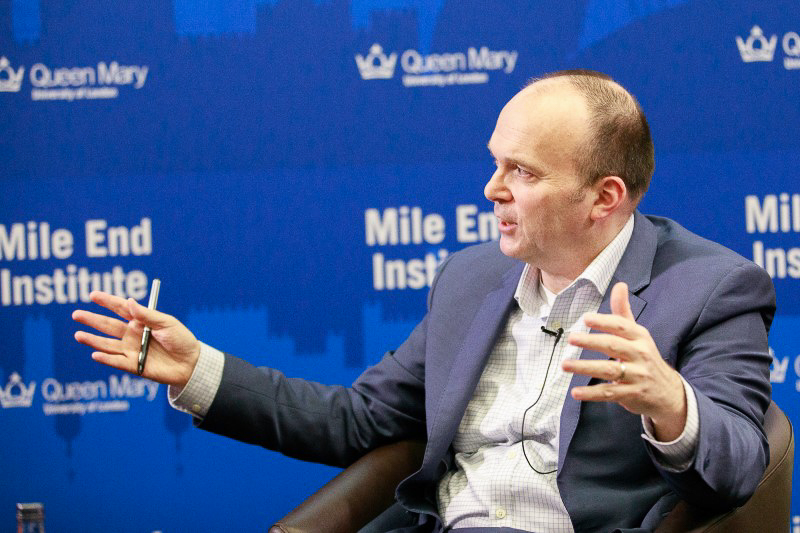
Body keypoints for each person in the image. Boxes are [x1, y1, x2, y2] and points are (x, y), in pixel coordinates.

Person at [72, 70, 775, 532]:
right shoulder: (468, 280)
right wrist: (200, 369)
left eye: (520, 172)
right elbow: (359, 421)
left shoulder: (712, 287)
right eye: (495, 162)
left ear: (604, 197)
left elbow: (746, 463)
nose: (490, 189)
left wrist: (669, 401)